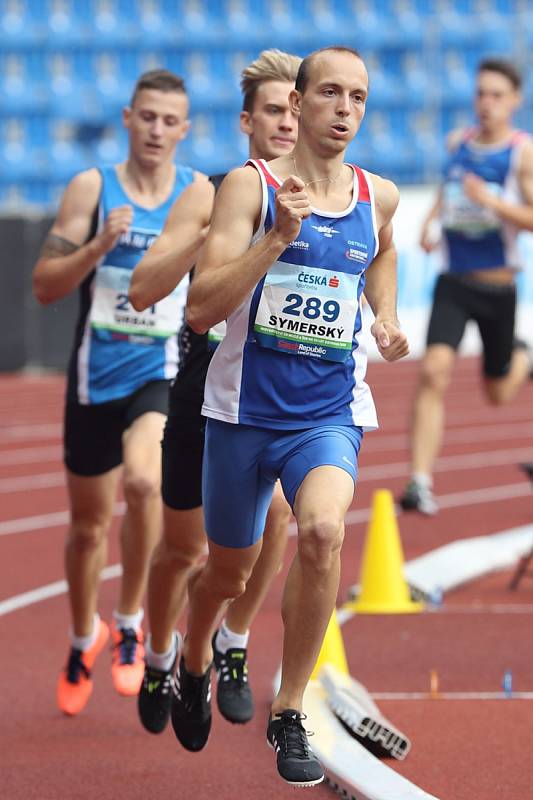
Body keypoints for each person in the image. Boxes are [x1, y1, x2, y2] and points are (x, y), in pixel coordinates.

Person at [175, 45, 409, 787]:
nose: (345, 109)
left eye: (359, 97)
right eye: (331, 94)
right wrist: (275, 238)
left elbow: (381, 253)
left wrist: (387, 317)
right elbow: (199, 309)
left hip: (327, 412)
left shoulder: (382, 195)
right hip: (241, 413)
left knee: (321, 530)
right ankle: (190, 658)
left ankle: (289, 707)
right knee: (226, 574)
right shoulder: (249, 188)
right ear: (299, 104)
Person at [128, 49, 301, 734]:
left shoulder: (333, 194)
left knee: (282, 518)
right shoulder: (210, 190)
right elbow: (143, 290)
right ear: (246, 120)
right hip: (204, 388)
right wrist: (206, 236)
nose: (287, 122)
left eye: (296, 107)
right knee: (182, 552)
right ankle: (159, 650)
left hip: (285, 393)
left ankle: (231, 645)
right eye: (273, 110)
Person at [32, 70, 204, 716]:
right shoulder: (92, 189)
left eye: (171, 121)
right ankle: (85, 637)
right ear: (129, 118)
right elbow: (45, 286)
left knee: (144, 484)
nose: (158, 130)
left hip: (156, 372)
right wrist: (100, 245)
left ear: (185, 130)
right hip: (92, 376)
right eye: (148, 117)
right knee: (86, 528)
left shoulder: (197, 195)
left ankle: (129, 621)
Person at [399, 58, 533, 516]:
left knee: (497, 394)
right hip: (453, 281)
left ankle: (522, 356)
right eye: (481, 93)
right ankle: (419, 481)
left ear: (515, 101)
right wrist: (433, 220)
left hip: (498, 287)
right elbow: (450, 187)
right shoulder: (458, 142)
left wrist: (491, 201)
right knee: (433, 370)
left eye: (497, 95)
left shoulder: (522, 153)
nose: (486, 103)